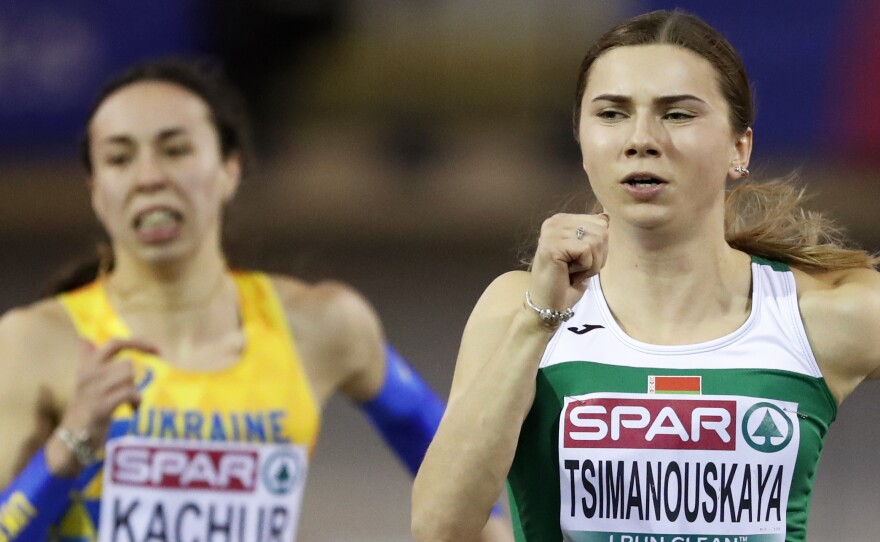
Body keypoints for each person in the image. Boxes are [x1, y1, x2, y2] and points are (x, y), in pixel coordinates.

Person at [412, 9, 880, 542]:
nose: (641, 139)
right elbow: (439, 528)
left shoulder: (822, 315)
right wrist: (539, 324)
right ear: (582, 141)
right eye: (611, 114)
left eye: (678, 115)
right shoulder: (515, 310)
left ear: (739, 148)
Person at [0, 58, 511, 541]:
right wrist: (69, 447)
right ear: (95, 188)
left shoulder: (324, 325)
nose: (149, 177)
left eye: (175, 150)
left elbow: (461, 479)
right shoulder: (34, 342)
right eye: (119, 158)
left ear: (230, 168)